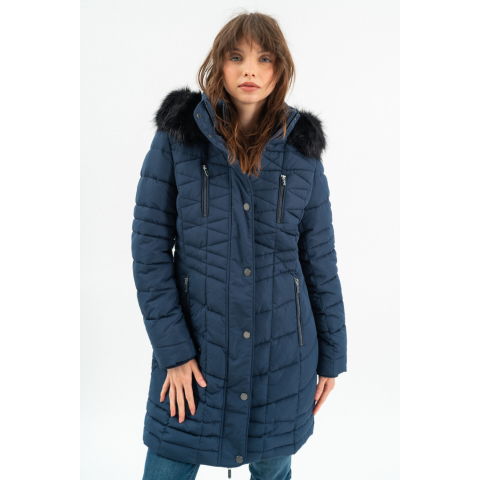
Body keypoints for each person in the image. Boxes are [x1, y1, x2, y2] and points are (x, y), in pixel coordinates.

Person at [132, 11, 347, 480]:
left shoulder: (302, 152)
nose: (250, 69)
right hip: (197, 357)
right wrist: (174, 353)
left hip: (282, 360)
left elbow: (319, 261)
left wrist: (333, 355)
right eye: (237, 57)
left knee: (273, 469)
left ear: (280, 68)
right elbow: (149, 251)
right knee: (168, 464)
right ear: (220, 65)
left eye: (264, 58)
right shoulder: (178, 139)